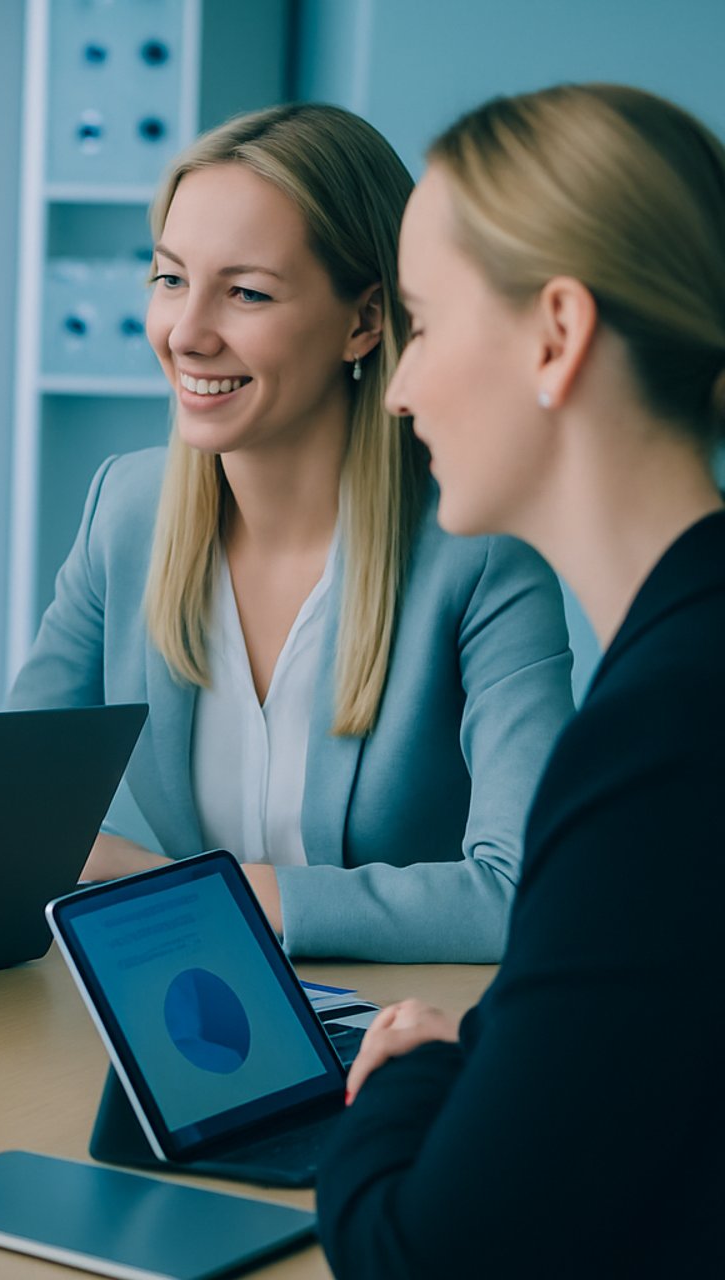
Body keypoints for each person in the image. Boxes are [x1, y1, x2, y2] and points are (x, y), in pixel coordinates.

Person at [8, 103, 575, 962]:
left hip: (406, 1042)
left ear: (365, 320)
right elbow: (4, 809)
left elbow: (522, 890)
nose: (187, 333)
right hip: (195, 1009)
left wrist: (184, 889)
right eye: (168, 278)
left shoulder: (483, 550)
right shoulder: (126, 509)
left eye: (246, 292)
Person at [319, 83, 725, 1275]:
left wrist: (416, 1070)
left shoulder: (665, 736)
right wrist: (499, 1049)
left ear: (556, 334)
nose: (396, 388)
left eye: (429, 325)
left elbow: (419, 1254)